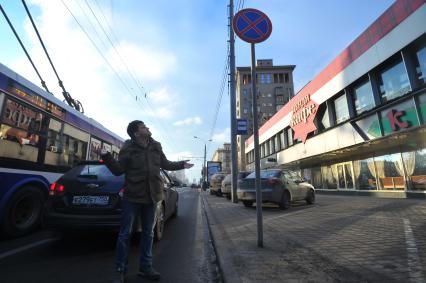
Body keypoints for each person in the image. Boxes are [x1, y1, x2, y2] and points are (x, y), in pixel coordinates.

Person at [99, 120, 193, 282]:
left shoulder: (156, 146)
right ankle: (120, 270)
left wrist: (181, 165)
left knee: (148, 233)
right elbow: (118, 170)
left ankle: (145, 268)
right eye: (143, 127)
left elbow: (165, 163)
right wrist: (106, 156)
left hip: (152, 196)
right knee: (125, 234)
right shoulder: (128, 148)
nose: (148, 128)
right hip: (132, 196)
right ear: (136, 133)